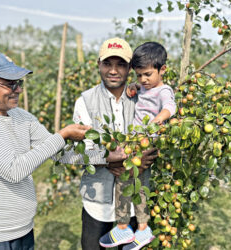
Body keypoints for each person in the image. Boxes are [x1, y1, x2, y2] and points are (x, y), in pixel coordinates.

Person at [0, 51, 90, 250]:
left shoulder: (22, 116)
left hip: (23, 229)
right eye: (10, 84)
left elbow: (59, 152)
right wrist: (62, 135)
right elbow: (14, 171)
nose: (18, 90)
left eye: (19, 83)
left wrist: (110, 157)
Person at [71, 38, 158, 250]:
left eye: (120, 64)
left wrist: (147, 157)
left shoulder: (144, 98)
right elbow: (77, 153)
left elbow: (159, 136)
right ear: (98, 64)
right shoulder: (85, 102)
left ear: (130, 68)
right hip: (96, 201)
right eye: (108, 63)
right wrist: (106, 160)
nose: (113, 70)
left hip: (133, 203)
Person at [99, 41, 176, 249]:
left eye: (148, 75)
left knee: (132, 184)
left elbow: (170, 106)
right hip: (134, 142)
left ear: (163, 70)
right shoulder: (144, 87)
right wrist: (135, 87)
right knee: (131, 184)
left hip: (145, 143)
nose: (143, 79)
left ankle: (135, 228)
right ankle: (129, 227)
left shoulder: (163, 91)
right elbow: (139, 90)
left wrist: (158, 120)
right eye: (139, 75)